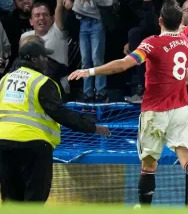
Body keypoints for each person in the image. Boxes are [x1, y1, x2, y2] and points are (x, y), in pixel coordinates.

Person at [67, 0, 188, 207]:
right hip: (181, 110)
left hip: (154, 112)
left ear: (160, 21)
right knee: (186, 157)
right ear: (180, 22)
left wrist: (90, 71)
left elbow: (123, 64)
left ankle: (145, 208)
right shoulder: (185, 43)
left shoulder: (151, 44)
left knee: (149, 165)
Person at [0, 41, 110, 203]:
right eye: (44, 56)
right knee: (34, 201)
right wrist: (92, 127)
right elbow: (60, 113)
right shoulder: (42, 82)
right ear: (34, 60)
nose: (47, 61)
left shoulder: (4, 80)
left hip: (3, 145)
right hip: (33, 145)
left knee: (11, 200)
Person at [63, 0, 113, 103]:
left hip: (96, 22)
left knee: (97, 59)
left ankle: (101, 91)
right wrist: (67, 1)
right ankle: (88, 92)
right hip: (83, 23)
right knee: (85, 60)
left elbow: (109, 0)